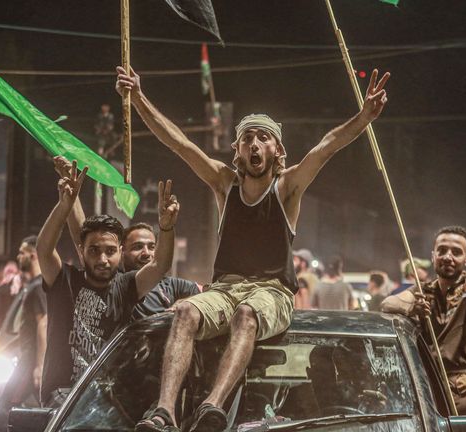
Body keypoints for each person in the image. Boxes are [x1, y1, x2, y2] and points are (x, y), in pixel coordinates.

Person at [116, 63, 389, 432]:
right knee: (184, 312)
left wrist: (364, 117)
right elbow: (180, 143)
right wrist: (138, 99)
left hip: (271, 292)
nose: (255, 144)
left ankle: (212, 406)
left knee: (246, 314)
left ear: (277, 150)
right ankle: (164, 411)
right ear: (238, 150)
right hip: (224, 288)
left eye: (263, 137)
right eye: (248, 138)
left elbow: (326, 148)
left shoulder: (287, 187)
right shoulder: (223, 183)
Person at [36, 161, 179, 406]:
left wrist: (166, 227)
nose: (102, 259)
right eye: (94, 250)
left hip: (110, 402)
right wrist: (64, 206)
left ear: (120, 252)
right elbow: (43, 248)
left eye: (110, 251)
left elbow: (160, 265)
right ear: (81, 252)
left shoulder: (126, 286)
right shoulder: (65, 281)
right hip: (63, 399)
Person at [381, 151, 466, 415]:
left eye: (456, 252)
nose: (448, 256)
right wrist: (410, 308)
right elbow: (388, 303)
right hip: (430, 381)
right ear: (432, 256)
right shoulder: (425, 292)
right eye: (442, 250)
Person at [0, 236, 47, 432]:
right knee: (44, 412)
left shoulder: (40, 285)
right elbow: (30, 328)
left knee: (3, 410)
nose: (18, 256)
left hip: (29, 362)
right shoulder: (33, 285)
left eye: (22, 253)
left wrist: (40, 366)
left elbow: (44, 324)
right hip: (27, 359)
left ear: (33, 256)